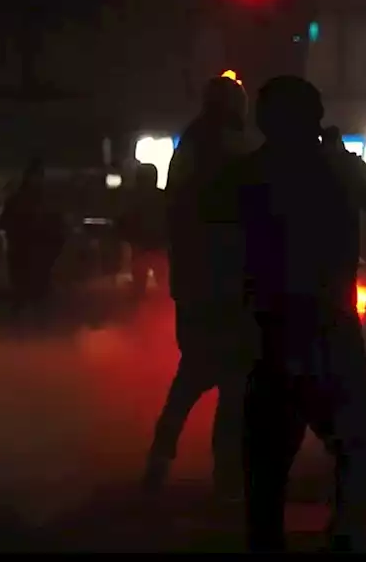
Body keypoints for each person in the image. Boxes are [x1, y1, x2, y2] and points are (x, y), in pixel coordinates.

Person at [207, 75, 366, 552]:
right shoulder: (333, 168)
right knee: (357, 446)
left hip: (266, 331)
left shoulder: (245, 174)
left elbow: (215, 243)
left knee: (266, 467)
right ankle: (344, 537)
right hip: (328, 329)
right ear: (315, 119)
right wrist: (343, 158)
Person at [143, 76, 254, 497]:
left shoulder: (188, 148)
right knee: (233, 381)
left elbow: (175, 215)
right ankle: (225, 471)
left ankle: (161, 455)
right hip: (229, 283)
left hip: (193, 283)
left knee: (192, 374)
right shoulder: (235, 150)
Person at [0, 159, 65, 314]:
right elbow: (5, 221)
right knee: (23, 290)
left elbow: (57, 226)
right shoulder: (20, 200)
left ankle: (35, 322)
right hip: (23, 250)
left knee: (38, 292)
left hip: (40, 252)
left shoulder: (45, 201)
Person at [118, 163, 168, 298]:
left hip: (142, 245)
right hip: (158, 244)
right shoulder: (163, 196)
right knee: (163, 282)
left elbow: (125, 220)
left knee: (140, 283)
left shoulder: (132, 198)